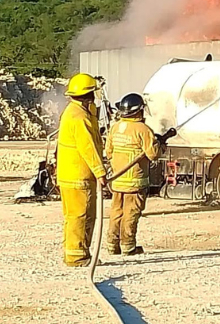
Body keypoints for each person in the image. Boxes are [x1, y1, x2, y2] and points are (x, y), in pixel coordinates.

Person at [56, 72, 107, 267]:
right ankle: (77, 256)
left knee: (74, 216)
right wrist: (100, 172)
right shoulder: (79, 117)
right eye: (93, 93)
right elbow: (88, 147)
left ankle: (76, 251)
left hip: (69, 174)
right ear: (88, 95)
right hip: (79, 175)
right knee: (82, 216)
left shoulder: (74, 111)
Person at [104, 93, 160, 256]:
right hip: (135, 182)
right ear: (139, 111)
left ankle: (112, 245)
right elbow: (153, 155)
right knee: (131, 213)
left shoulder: (115, 128)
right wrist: (158, 144)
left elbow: (108, 152)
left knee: (116, 212)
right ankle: (128, 246)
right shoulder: (143, 130)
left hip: (117, 181)